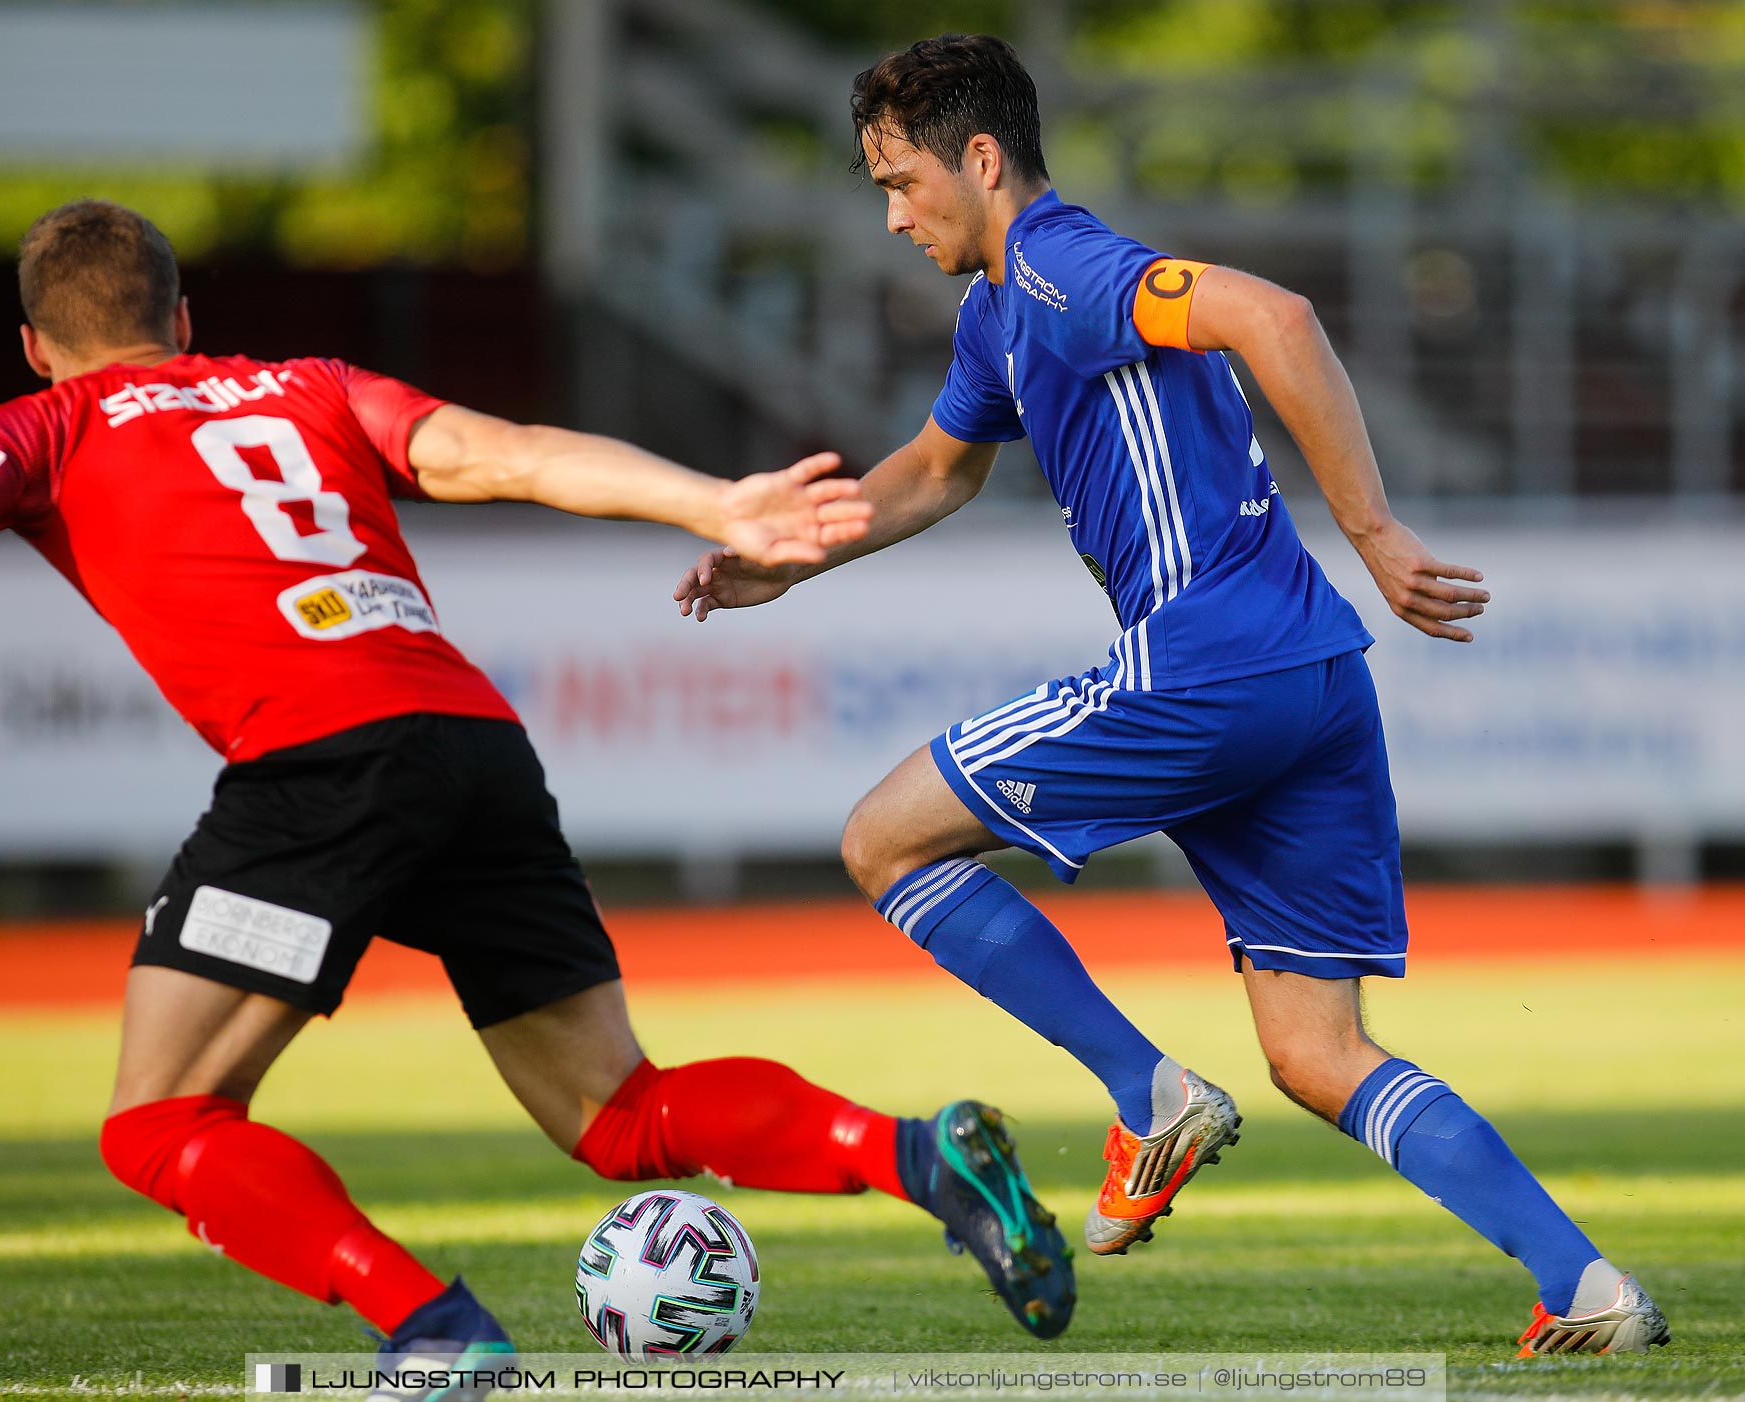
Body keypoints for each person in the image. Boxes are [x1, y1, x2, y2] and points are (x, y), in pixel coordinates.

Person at [0, 198, 1077, 1365]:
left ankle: (429, 1330)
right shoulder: (312, 386)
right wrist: (717, 501)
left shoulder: (44, 422)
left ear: (34, 344)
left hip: (320, 759)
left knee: (159, 1121)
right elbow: (513, 453)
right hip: (468, 736)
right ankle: (915, 1155)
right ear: (183, 318)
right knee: (616, 1110)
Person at [674, 34, 1668, 1359]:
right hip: (1309, 680)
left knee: (882, 838)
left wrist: (1373, 533)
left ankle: (1146, 1087)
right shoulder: (996, 313)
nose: (894, 213)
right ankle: (1584, 1283)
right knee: (1317, 1053)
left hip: (1211, 661)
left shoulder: (1062, 263)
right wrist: (793, 561)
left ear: (982, 159)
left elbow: (1280, 318)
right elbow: (933, 471)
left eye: (901, 180)